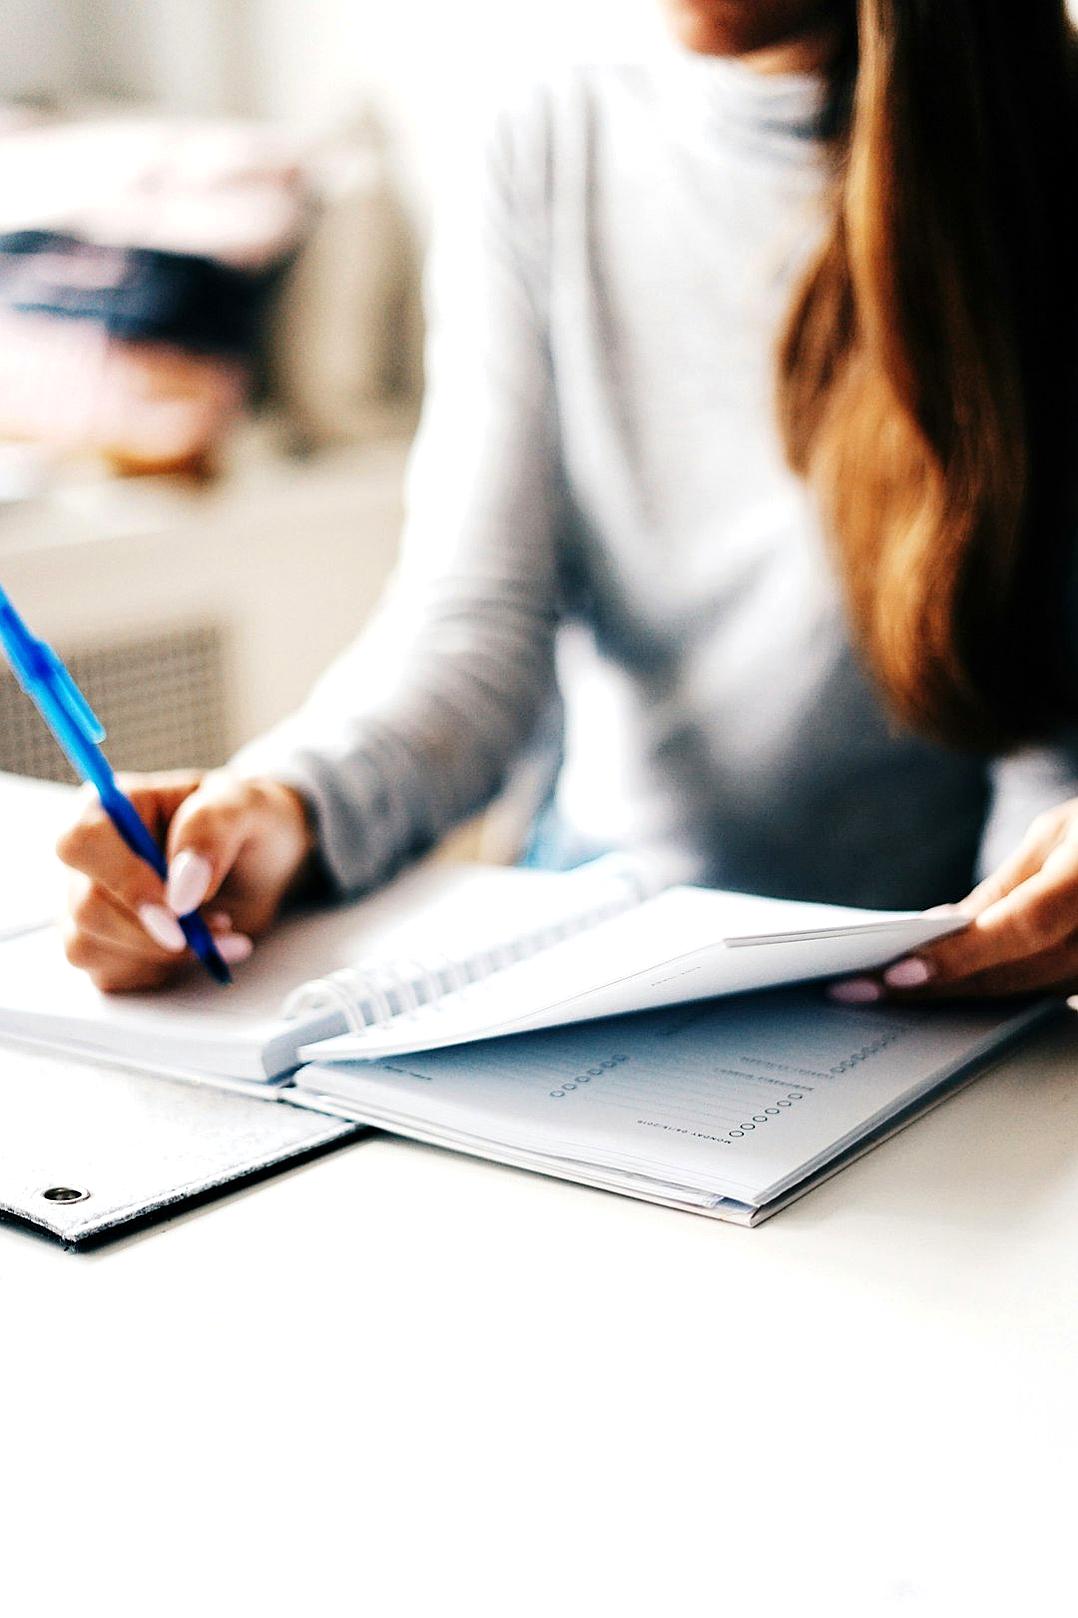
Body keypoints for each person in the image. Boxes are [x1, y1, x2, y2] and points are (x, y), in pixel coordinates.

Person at [56, 0, 1078, 1006]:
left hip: (951, 1006)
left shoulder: (1041, 150)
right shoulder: (545, 142)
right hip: (599, 962)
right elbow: (473, 630)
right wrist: (283, 806)